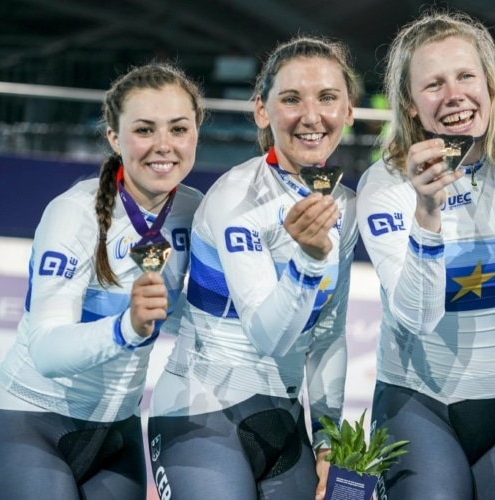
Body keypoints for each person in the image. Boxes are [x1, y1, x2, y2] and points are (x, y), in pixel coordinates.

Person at [356, 10, 495, 500]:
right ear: (409, 105)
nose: (454, 95)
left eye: (466, 76)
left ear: (490, 85)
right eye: (433, 84)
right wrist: (427, 212)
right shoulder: (386, 186)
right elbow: (417, 316)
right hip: (419, 404)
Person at [147, 35, 360, 500]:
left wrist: (328, 440)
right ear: (262, 111)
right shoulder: (236, 197)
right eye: (290, 99)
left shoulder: (346, 205)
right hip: (200, 412)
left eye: (327, 98)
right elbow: (271, 336)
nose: (311, 115)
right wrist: (307, 259)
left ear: (349, 110)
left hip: (282, 420)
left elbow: (327, 334)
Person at [0, 62, 205, 499]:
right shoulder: (73, 213)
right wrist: (125, 327)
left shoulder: (193, 208)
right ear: (114, 136)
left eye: (179, 129)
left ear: (196, 133)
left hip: (119, 430)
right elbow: (47, 349)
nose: (164, 146)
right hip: (32, 422)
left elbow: (176, 319)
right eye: (145, 130)